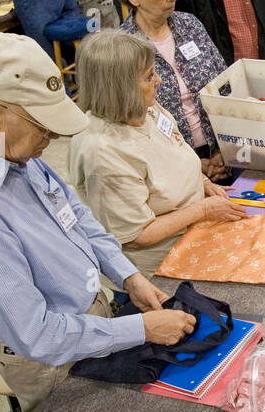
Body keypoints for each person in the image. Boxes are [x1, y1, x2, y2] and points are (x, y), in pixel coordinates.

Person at [0, 32, 195, 412]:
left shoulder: (12, 152)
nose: (52, 137)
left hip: (94, 320)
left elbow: (79, 221)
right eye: (41, 124)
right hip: (50, 360)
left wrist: (128, 276)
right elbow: (38, 335)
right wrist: (142, 329)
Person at [69, 30, 244, 278]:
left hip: (197, 233)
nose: (159, 81)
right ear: (121, 88)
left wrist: (202, 183)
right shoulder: (103, 153)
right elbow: (137, 236)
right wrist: (202, 210)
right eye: (149, 76)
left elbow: (174, 151)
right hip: (160, 268)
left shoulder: (144, 107)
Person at [114, 0, 228, 179]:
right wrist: (193, 165)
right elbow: (131, 126)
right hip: (168, 168)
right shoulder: (123, 50)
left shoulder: (190, 25)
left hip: (222, 155)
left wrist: (225, 151)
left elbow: (225, 86)